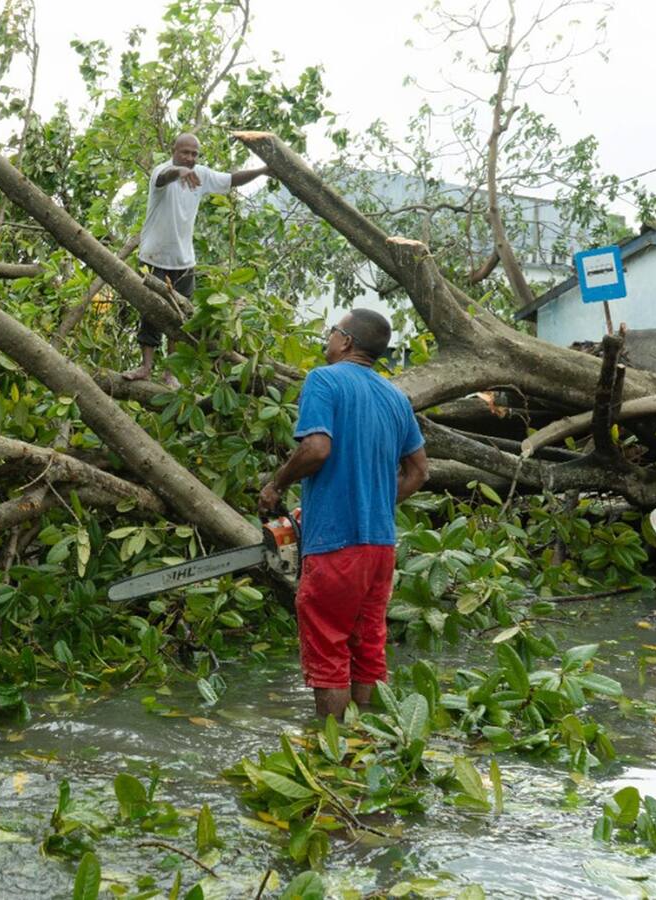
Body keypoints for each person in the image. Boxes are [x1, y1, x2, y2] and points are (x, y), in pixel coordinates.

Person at [258, 310, 427, 721]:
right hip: (380, 547)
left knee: (328, 648)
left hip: (336, 544)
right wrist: (376, 505)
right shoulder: (395, 398)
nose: (328, 339)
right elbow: (419, 471)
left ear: (346, 341)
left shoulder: (324, 379)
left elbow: (316, 449)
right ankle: (366, 746)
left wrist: (276, 486)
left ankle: (330, 752)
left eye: (332, 331)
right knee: (368, 647)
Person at [121, 132, 268, 388]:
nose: (189, 158)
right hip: (154, 257)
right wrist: (177, 172)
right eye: (184, 153)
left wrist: (263, 170)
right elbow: (163, 179)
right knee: (151, 314)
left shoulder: (201, 174)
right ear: (173, 150)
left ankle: (170, 373)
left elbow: (232, 179)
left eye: (193, 154)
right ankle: (145, 367)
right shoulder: (163, 171)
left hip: (184, 261)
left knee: (179, 319)